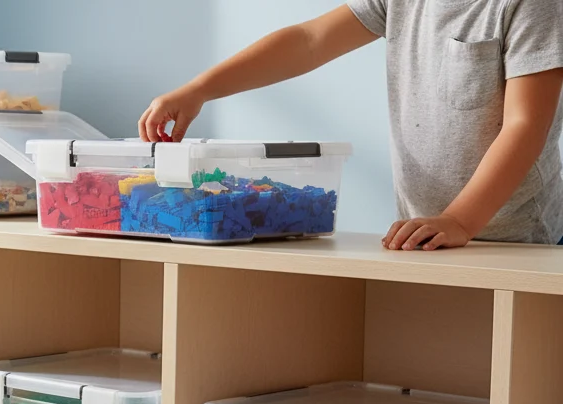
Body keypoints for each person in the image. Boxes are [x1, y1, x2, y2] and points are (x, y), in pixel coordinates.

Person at [138, 2, 563, 250]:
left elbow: (525, 125)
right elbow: (309, 40)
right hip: (425, 237)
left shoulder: (533, 6)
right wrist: (199, 89)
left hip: (518, 241)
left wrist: (460, 220)